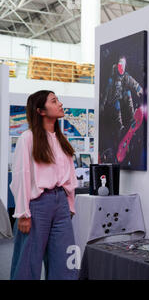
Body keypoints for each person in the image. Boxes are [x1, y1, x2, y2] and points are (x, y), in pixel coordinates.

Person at [9, 90, 79, 280]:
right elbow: (21, 176)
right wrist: (23, 213)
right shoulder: (28, 138)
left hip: (61, 204)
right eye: (54, 101)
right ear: (40, 111)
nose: (60, 104)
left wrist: (69, 205)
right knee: (27, 262)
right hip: (37, 205)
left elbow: (69, 176)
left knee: (65, 260)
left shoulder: (61, 140)